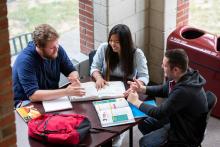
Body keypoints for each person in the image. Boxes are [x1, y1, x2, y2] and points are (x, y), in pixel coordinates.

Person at [125, 49, 208, 147]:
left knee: (145, 142)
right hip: (180, 118)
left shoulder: (184, 91)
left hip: (185, 132)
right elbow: (164, 89)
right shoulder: (185, 73)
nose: (161, 67)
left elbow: (159, 113)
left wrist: (136, 101)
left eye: (164, 65)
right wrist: (142, 89)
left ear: (175, 70)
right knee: (144, 122)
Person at [12, 24, 85, 108]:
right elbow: (33, 95)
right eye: (51, 48)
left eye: (57, 44)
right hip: (26, 102)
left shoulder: (57, 49)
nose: (57, 49)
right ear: (39, 46)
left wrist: (74, 78)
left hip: (49, 98)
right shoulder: (25, 61)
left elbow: (70, 70)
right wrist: (66, 91)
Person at [90, 24, 149, 89]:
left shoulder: (137, 53)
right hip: (106, 85)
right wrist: (99, 78)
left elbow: (144, 76)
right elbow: (94, 68)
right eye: (111, 40)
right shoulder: (104, 48)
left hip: (128, 87)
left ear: (125, 42)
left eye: (117, 42)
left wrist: (137, 84)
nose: (112, 44)